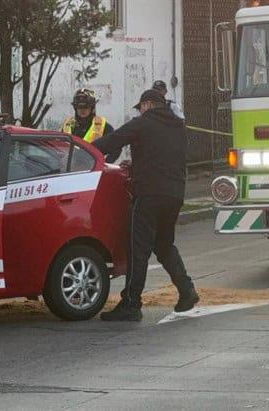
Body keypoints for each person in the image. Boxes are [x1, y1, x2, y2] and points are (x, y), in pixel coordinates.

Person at [93, 89, 200, 321]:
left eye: (140, 107)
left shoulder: (142, 124)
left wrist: (84, 150)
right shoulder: (178, 126)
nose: (140, 111)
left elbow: (112, 141)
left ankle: (131, 304)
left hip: (149, 195)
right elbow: (163, 155)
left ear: (148, 105)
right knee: (164, 245)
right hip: (174, 194)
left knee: (137, 249)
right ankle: (187, 291)